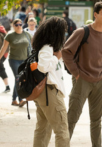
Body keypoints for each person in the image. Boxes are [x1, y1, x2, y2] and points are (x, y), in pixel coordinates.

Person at [62, 1, 102, 146]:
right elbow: (66, 52)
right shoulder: (82, 32)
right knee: (71, 118)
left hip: (100, 81)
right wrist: (76, 73)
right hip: (82, 80)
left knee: (97, 121)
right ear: (96, 14)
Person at [32, 16, 70, 147]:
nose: (64, 34)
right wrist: (56, 57)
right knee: (62, 131)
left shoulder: (46, 47)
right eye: (63, 31)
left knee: (43, 129)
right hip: (50, 92)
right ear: (56, 32)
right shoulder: (47, 48)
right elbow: (43, 67)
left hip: (46, 93)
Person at [0, 19, 31, 107]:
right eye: (16, 25)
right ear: (13, 26)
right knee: (18, 78)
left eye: (20, 24)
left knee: (19, 79)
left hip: (25, 60)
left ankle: (14, 100)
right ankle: (20, 99)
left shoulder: (27, 35)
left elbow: (32, 47)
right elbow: (4, 48)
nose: (19, 26)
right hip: (14, 60)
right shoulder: (10, 35)